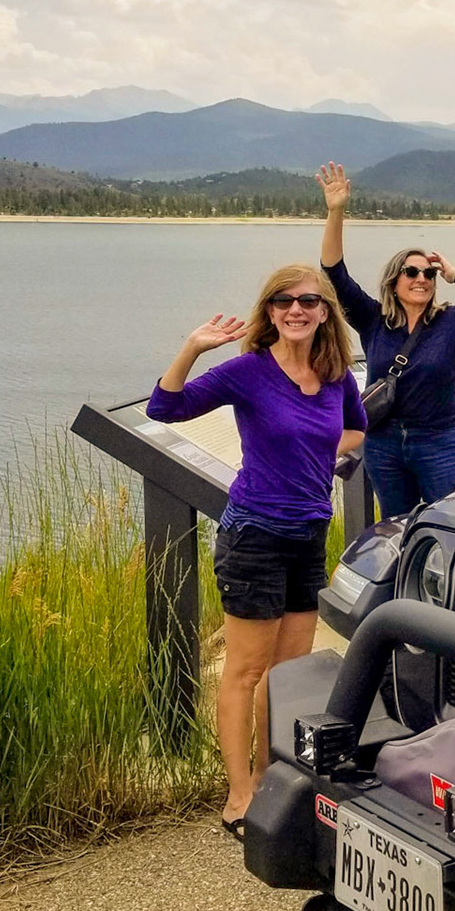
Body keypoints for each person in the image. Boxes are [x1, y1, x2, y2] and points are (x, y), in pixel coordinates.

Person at [145, 264, 365, 831]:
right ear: (269, 311)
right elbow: (164, 408)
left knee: (287, 673)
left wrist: (315, 456)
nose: (296, 310)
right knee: (245, 671)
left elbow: (357, 429)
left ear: (325, 312)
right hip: (255, 536)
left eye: (308, 301)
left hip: (309, 535)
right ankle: (239, 795)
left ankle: (272, 779)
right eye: (283, 301)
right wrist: (193, 348)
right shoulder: (249, 371)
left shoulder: (335, 375)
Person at [316, 162, 455, 515]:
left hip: (439, 442)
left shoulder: (453, 320)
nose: (421, 278)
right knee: (398, 527)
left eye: (428, 273)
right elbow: (334, 274)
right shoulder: (373, 319)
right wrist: (336, 212)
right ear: (394, 280)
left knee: (453, 523)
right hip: (383, 444)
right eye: (411, 272)